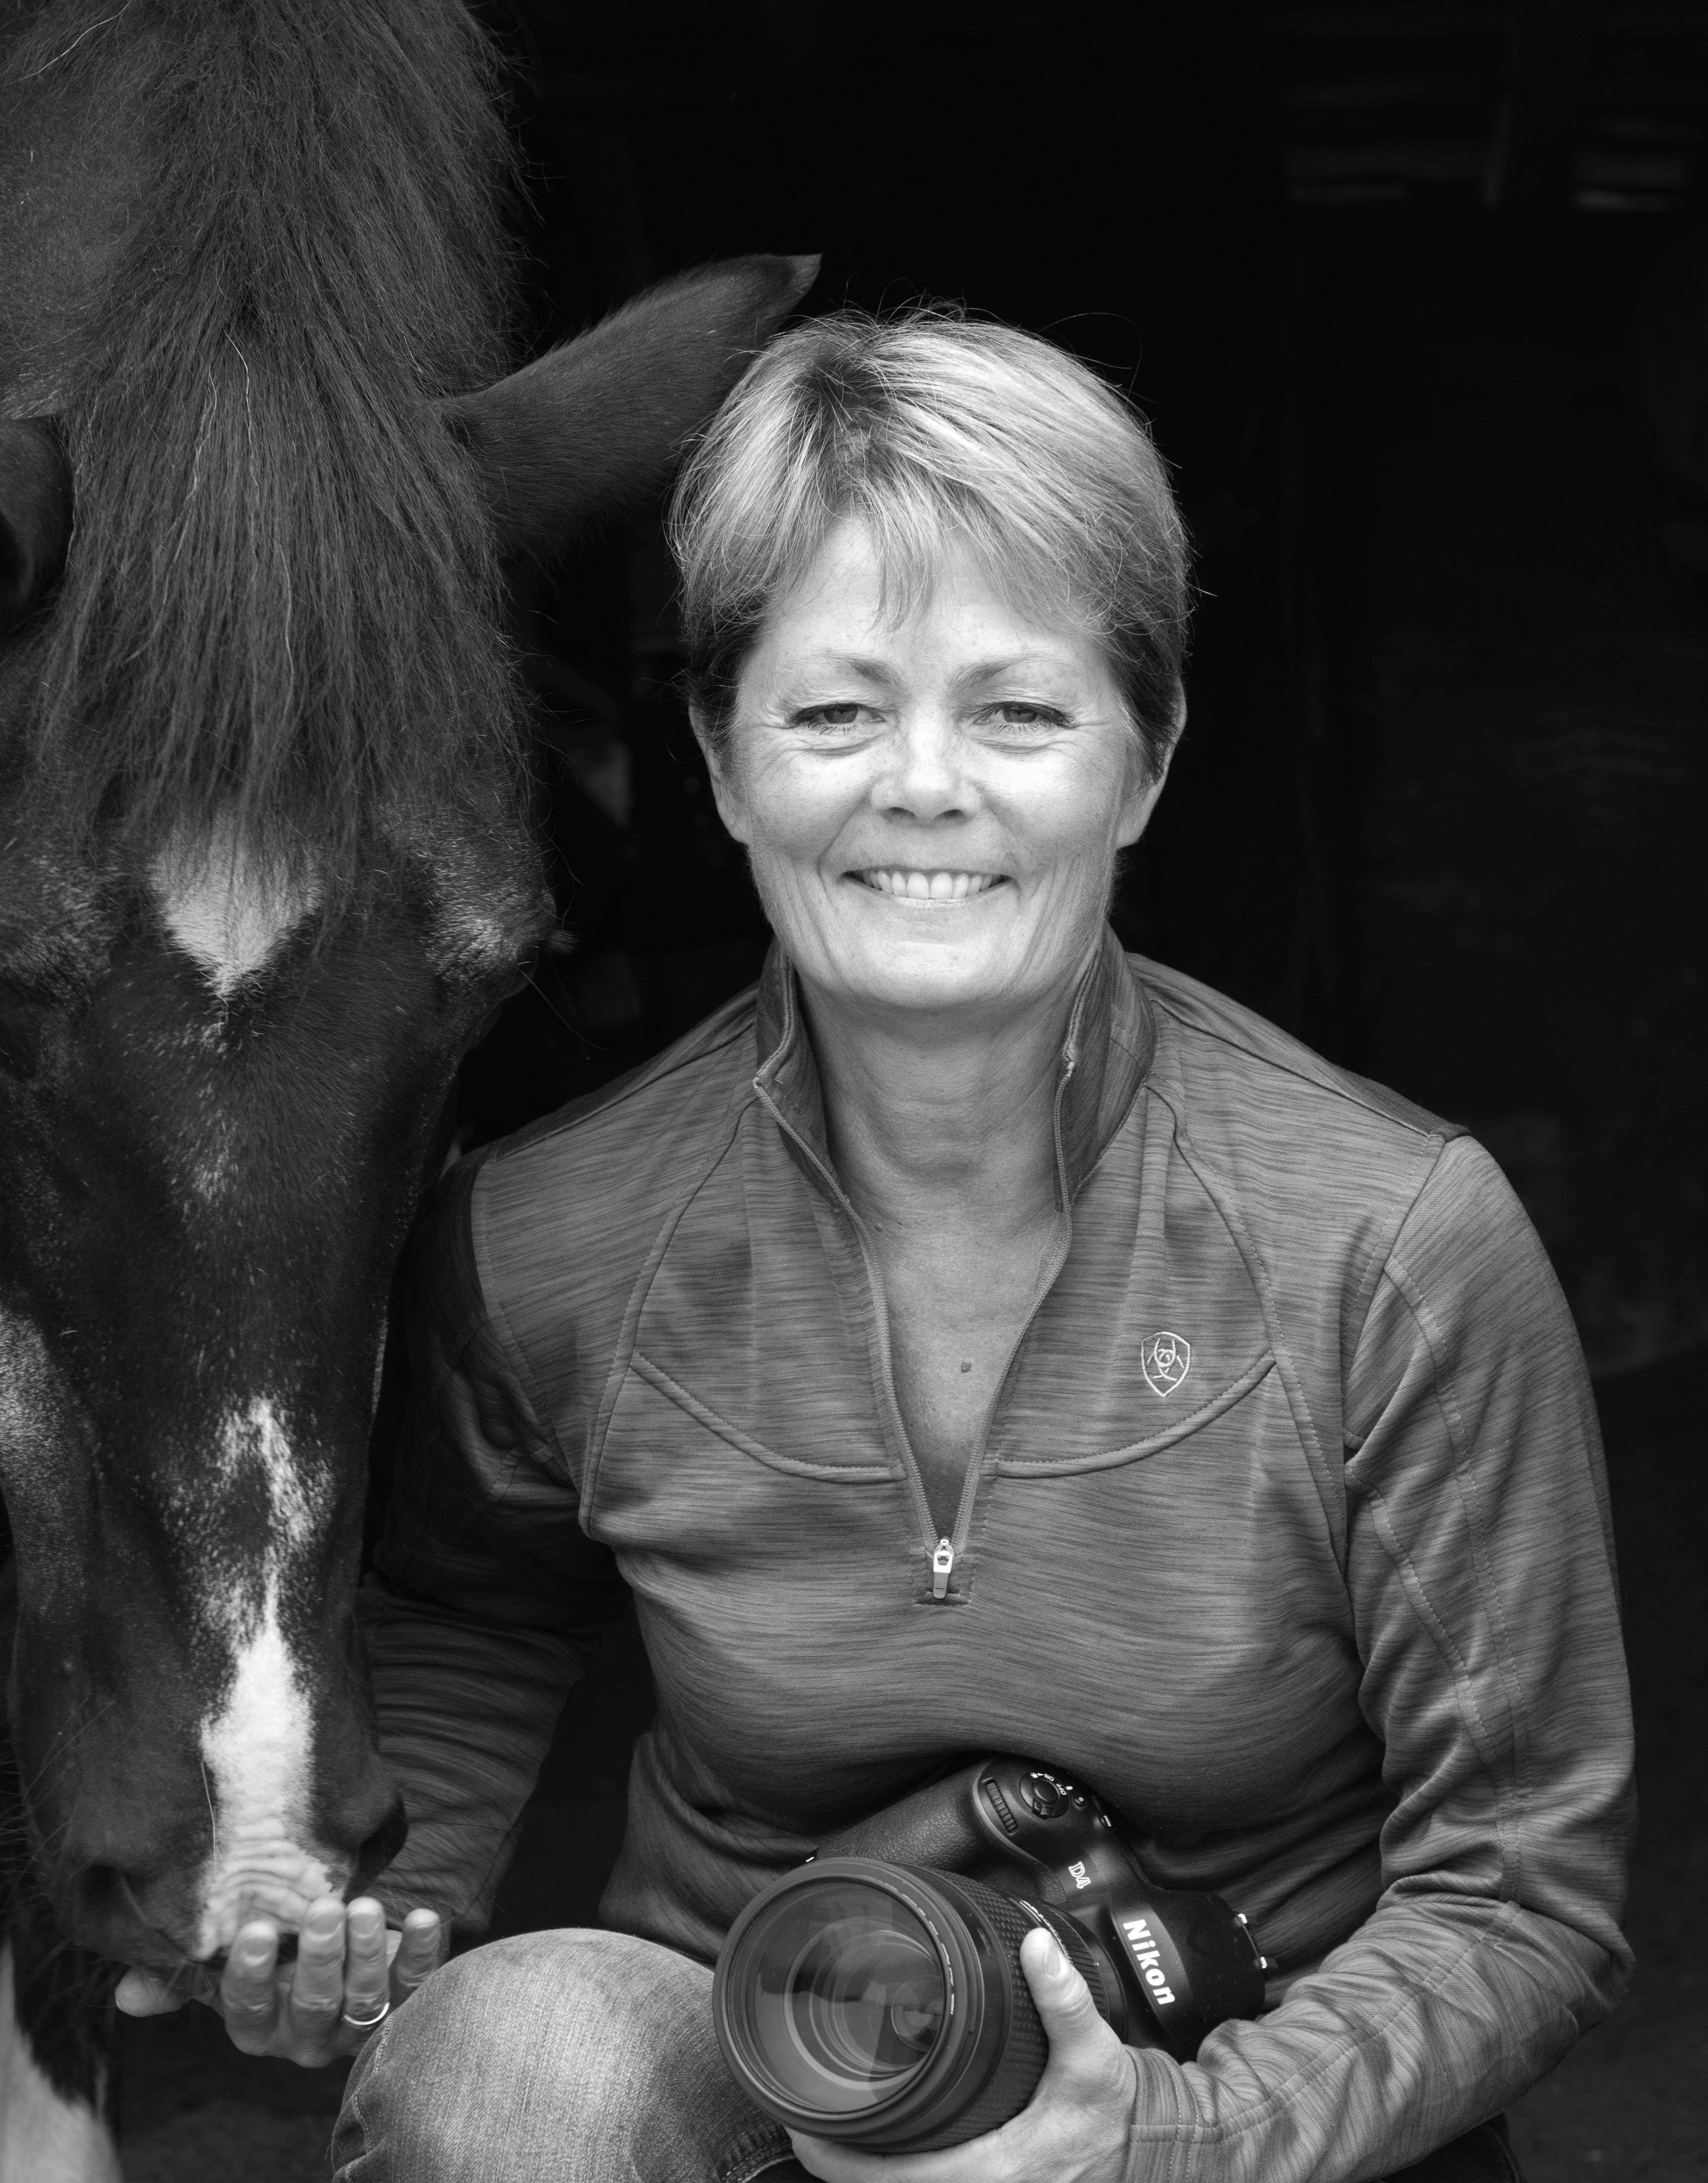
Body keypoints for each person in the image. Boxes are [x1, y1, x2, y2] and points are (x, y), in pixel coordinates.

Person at [124, 313, 1634, 2183]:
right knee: (516, 2067)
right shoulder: (548, 1234)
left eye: (1017, 712)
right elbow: (472, 1599)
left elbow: (1521, 1885)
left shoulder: (1385, 1243)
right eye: (836, 712)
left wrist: (1171, 2137)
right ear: (720, 757)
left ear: (1144, 763)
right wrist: (375, 1899)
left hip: (1250, 2102)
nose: (922, 784)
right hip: (776, 2081)